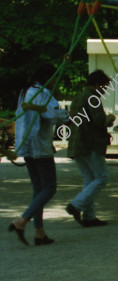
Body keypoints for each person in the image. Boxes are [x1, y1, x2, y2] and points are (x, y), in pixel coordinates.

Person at [9, 64, 69, 246]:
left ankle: (39, 232)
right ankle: (22, 221)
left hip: (27, 144)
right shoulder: (41, 92)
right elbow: (50, 115)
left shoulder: (26, 91)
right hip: (39, 145)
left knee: (38, 189)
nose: (56, 84)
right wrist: (66, 115)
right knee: (49, 187)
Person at [66, 70, 115, 227]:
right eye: (105, 86)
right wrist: (110, 118)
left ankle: (89, 217)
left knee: (89, 179)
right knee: (102, 177)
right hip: (91, 144)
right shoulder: (92, 98)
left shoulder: (77, 97)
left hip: (76, 144)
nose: (105, 90)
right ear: (97, 84)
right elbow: (100, 122)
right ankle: (76, 205)